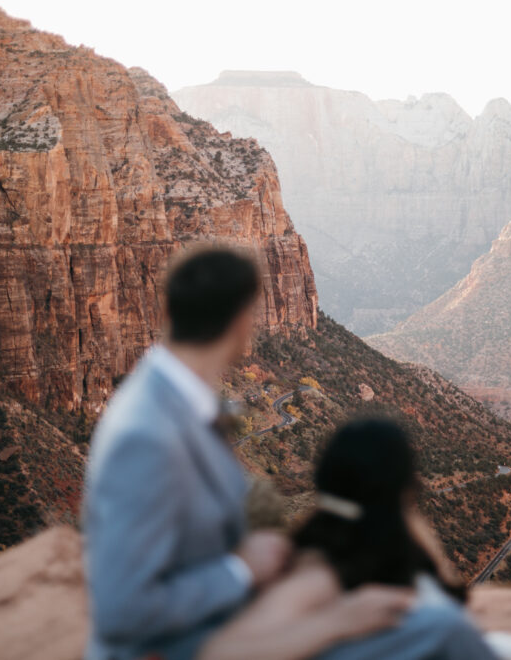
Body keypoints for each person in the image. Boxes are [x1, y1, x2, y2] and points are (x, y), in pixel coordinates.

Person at [83, 249, 411, 660]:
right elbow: (122, 612)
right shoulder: (144, 432)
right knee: (423, 627)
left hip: (219, 625)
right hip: (185, 646)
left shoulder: (182, 400)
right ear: (241, 321)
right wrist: (240, 571)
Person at [198, 419, 500, 660]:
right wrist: (337, 622)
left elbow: (447, 588)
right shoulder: (322, 571)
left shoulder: (393, 540)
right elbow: (219, 654)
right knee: (448, 628)